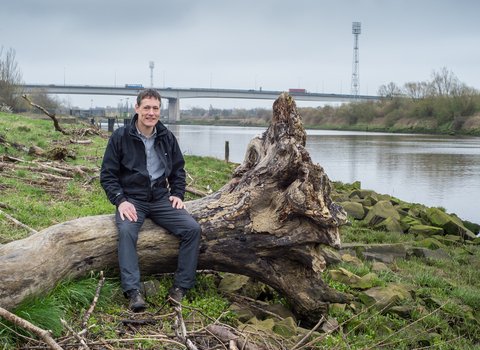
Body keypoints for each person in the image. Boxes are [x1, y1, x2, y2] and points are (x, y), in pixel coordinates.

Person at [100, 89, 202, 312]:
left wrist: (177, 193)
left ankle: (180, 288)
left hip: (160, 198)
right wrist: (120, 201)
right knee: (127, 231)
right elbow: (108, 175)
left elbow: (178, 169)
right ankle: (133, 292)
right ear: (136, 109)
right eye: (146, 107)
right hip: (132, 199)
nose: (151, 112)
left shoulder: (166, 136)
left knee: (193, 229)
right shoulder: (120, 137)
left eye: (155, 108)